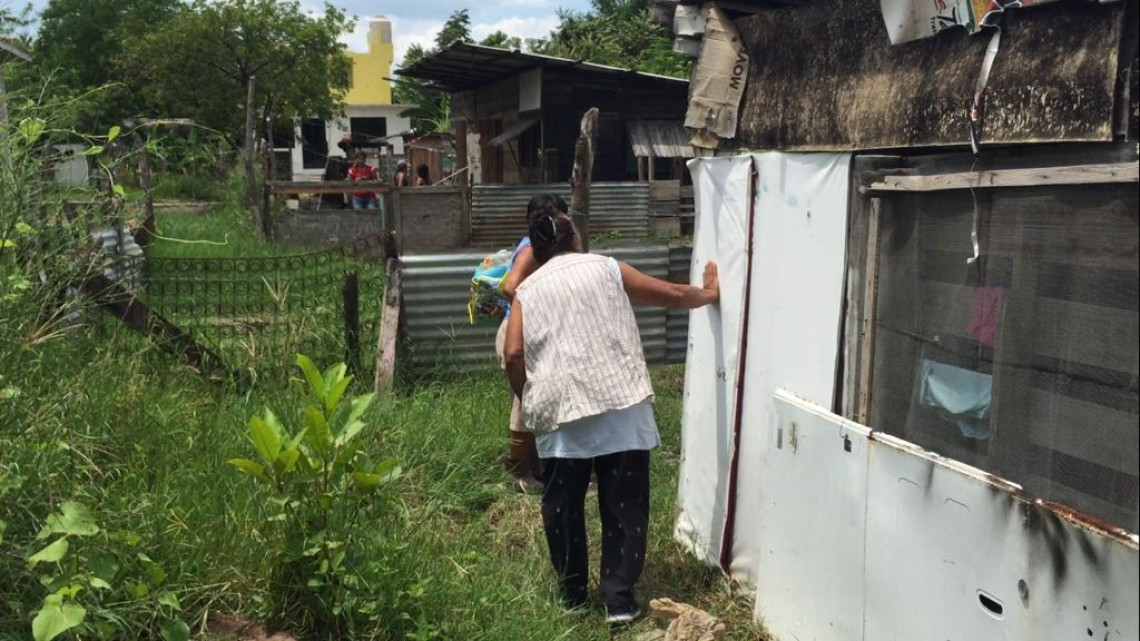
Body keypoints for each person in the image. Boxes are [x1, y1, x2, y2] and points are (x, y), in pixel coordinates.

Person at [503, 208, 719, 623]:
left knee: (563, 507)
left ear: (537, 249)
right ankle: (619, 600)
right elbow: (671, 296)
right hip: (621, 405)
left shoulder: (527, 291)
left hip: (562, 414)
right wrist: (709, 293)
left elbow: (514, 353)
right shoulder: (608, 268)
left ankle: (572, 594)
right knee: (625, 505)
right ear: (576, 238)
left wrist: (528, 396)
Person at [494, 194, 562, 493]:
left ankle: (534, 466)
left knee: (532, 401)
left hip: (522, 329)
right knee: (525, 402)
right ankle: (519, 471)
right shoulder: (534, 249)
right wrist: (533, 310)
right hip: (519, 333)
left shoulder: (539, 245)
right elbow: (511, 287)